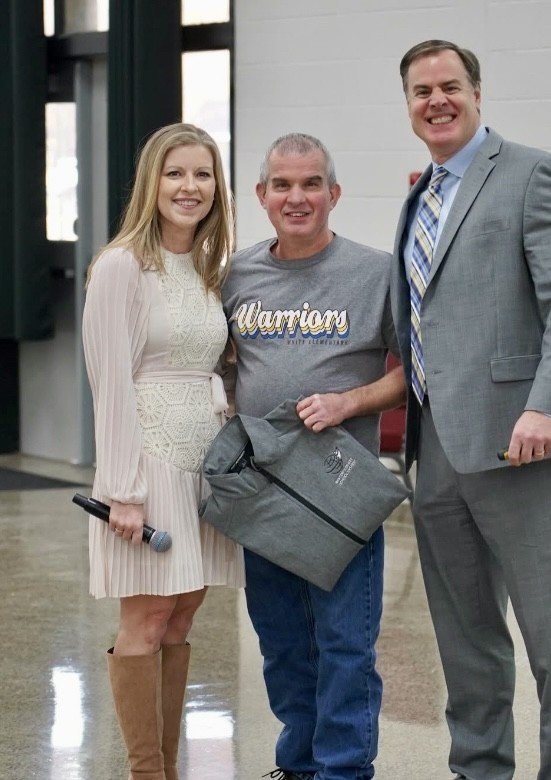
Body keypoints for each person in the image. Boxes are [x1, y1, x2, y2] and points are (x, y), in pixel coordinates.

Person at [391, 40, 551, 779]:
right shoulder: (422, 191)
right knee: (465, 633)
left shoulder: (532, 174)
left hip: (522, 441)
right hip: (437, 444)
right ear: (409, 104)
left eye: (450, 86)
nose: (437, 100)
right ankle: (479, 769)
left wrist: (548, 407)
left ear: (478, 93)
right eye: (422, 91)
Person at [222, 133, 405, 780]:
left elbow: (416, 372)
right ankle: (298, 765)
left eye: (309, 185)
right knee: (282, 646)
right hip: (262, 494)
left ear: (333, 193)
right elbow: (216, 365)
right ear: (262, 195)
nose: (295, 197)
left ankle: (343, 771)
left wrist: (348, 402)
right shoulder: (237, 274)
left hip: (340, 494)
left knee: (345, 645)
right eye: (282, 185)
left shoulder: (375, 272)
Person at [82, 123, 244, 780]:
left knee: (182, 613)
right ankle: (146, 773)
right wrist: (122, 487)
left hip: (203, 467)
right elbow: (110, 380)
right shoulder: (121, 265)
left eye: (203, 174)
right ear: (152, 182)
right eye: (176, 173)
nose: (190, 186)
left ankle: (169, 768)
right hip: (147, 464)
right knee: (147, 617)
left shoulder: (209, 268)